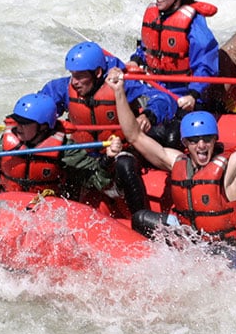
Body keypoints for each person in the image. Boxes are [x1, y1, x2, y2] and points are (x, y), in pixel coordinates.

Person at [106, 69, 236, 254]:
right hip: (194, 240)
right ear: (185, 143)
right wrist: (118, 91)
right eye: (195, 141)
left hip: (228, 248)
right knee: (140, 218)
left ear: (216, 140)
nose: (202, 145)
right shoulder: (177, 162)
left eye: (207, 139)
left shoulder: (233, 166)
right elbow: (134, 135)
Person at [38, 41, 177, 216]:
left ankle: (142, 220)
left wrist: (149, 115)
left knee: (125, 164)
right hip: (84, 156)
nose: (74, 82)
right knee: (59, 161)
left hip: (121, 151)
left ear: (97, 73)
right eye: (72, 75)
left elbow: (162, 98)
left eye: (80, 76)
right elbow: (41, 104)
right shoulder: (64, 88)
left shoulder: (121, 85)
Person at [0, 93, 121, 198]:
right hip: (10, 207)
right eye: (17, 121)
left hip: (47, 210)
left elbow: (98, 180)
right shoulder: (7, 143)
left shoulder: (65, 149)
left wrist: (108, 159)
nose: (17, 127)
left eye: (25, 123)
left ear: (43, 127)